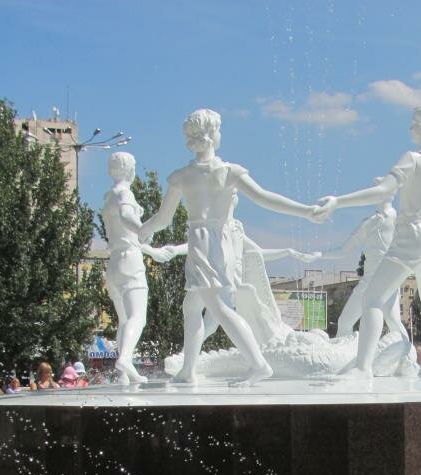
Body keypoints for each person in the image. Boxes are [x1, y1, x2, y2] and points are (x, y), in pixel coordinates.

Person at [138, 108, 324, 386]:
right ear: (213, 135)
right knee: (193, 307)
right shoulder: (228, 173)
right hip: (216, 242)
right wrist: (306, 211)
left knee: (219, 308)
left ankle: (257, 364)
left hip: (203, 241)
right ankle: (191, 369)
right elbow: (265, 199)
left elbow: (162, 220)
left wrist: (141, 231)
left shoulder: (181, 177)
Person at [315, 103, 421, 380]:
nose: (410, 127)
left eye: (414, 122)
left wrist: (338, 201)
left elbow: (383, 190)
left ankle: (363, 368)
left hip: (411, 235)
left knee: (373, 299)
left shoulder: (413, 159)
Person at [100, 151, 177, 385]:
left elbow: (124, 236)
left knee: (124, 320)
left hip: (114, 263)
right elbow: (127, 220)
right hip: (130, 262)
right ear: (130, 170)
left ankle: (123, 373)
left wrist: (152, 251)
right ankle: (124, 359)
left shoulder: (108, 196)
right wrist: (144, 228)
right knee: (138, 318)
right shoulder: (124, 193)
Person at [319, 184, 405, 340]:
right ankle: (342, 357)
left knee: (394, 322)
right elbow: (344, 250)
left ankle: (408, 359)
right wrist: (319, 254)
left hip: (387, 281)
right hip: (367, 281)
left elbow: (409, 248)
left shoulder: (398, 220)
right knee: (344, 322)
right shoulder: (369, 222)